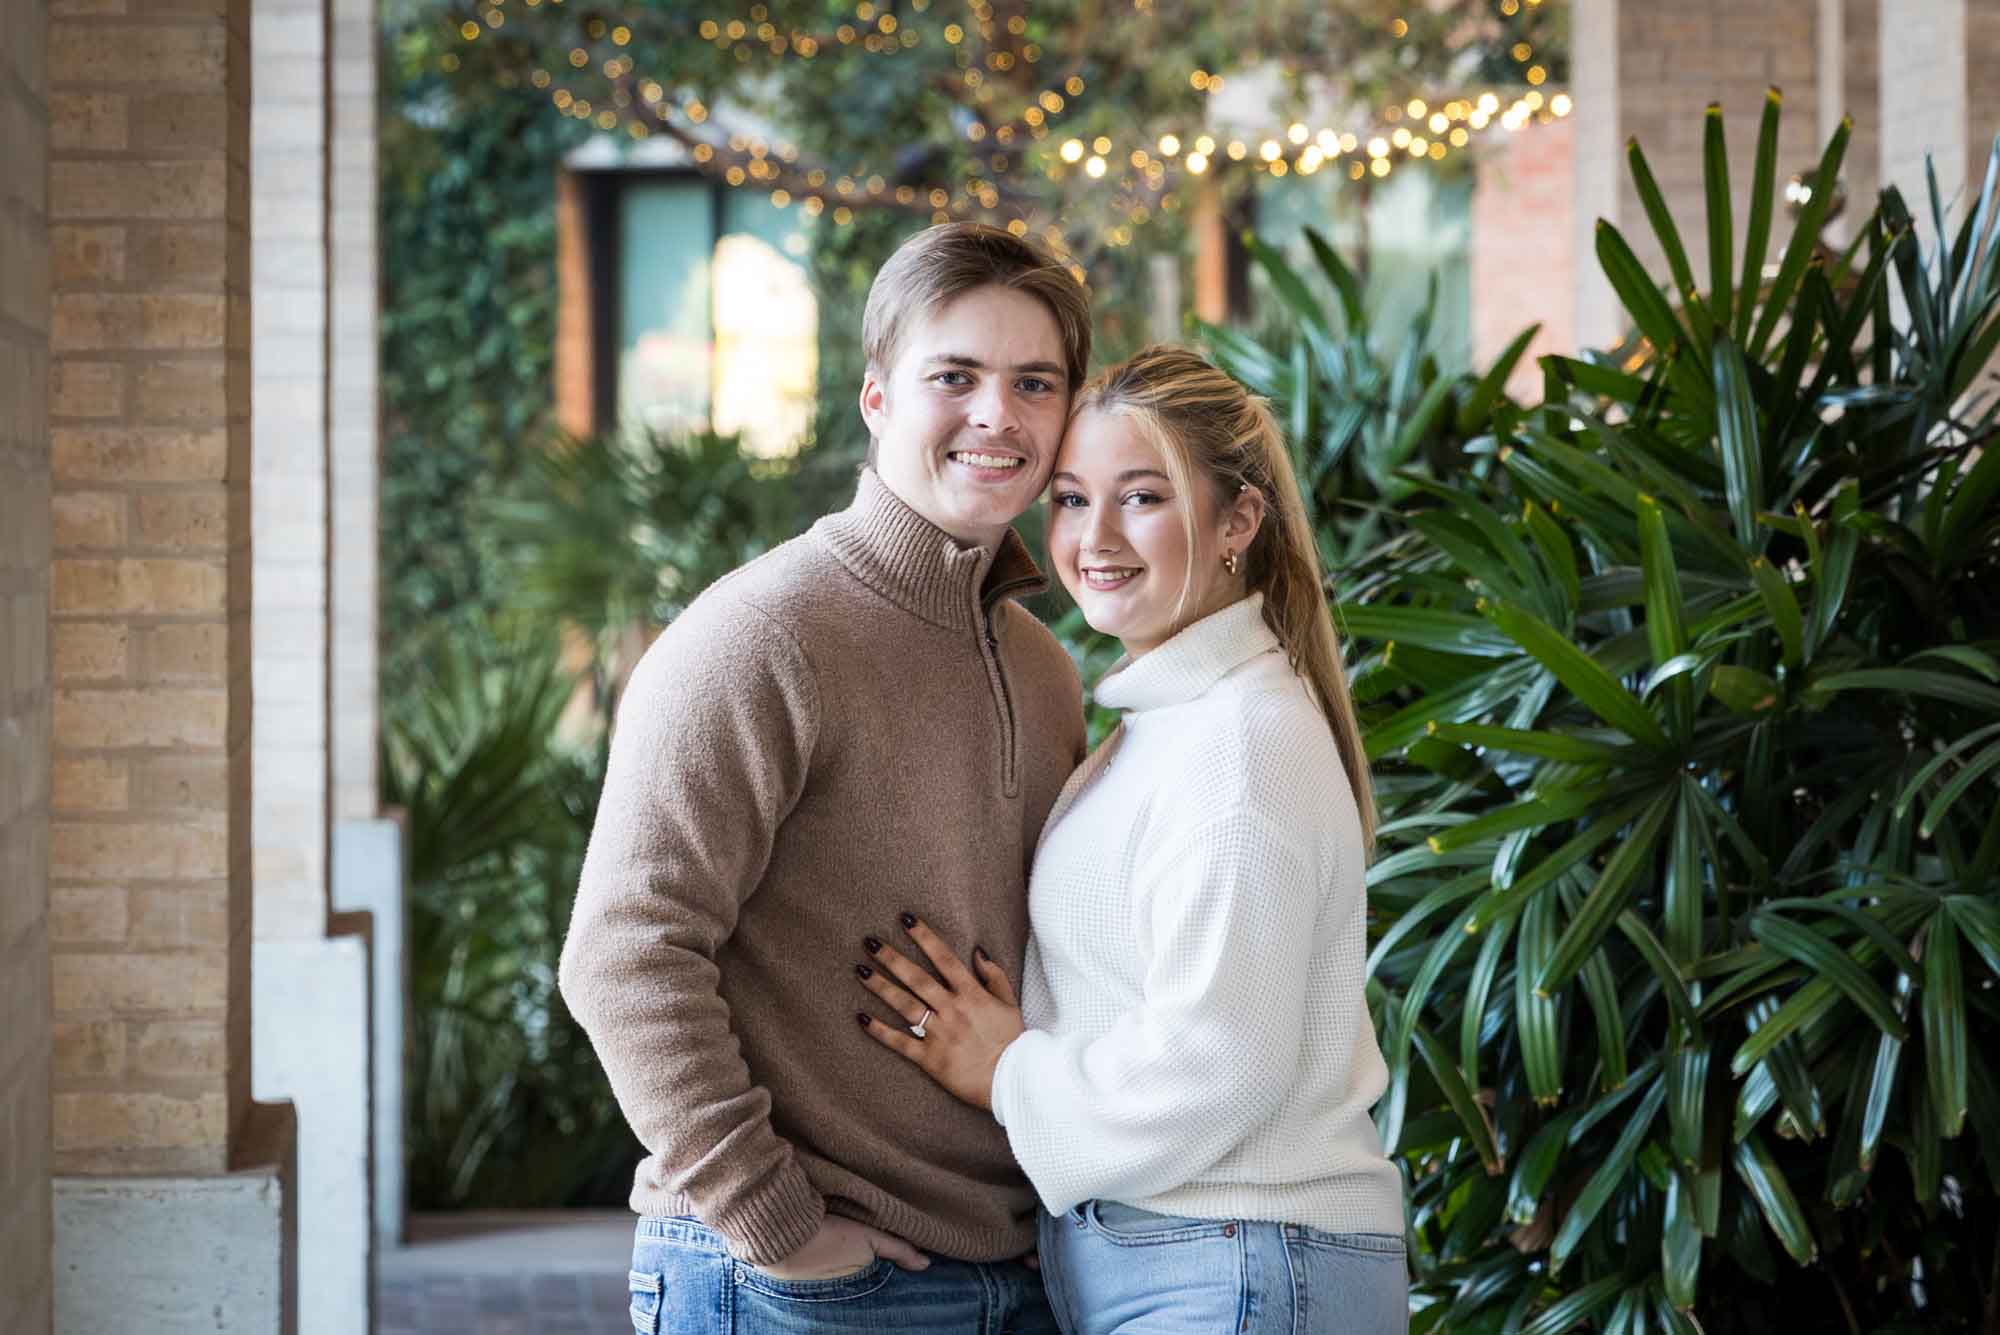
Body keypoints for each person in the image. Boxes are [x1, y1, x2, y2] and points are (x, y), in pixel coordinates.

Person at [558, 222, 1091, 1333]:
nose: (997, 414)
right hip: (807, 1281)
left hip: (1014, 1267)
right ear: (876, 398)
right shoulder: (763, 634)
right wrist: (780, 1225)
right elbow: (622, 951)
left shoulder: (1043, 667)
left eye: (1032, 382)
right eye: (954, 376)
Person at [851, 345, 1409, 1335]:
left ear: (1237, 520)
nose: (1093, 537)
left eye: (1140, 497)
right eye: (1068, 499)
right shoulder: (1175, 724)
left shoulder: (1238, 745)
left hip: (1227, 1259)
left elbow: (1216, 1066)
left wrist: (1007, 1071)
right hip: (1197, 1259)